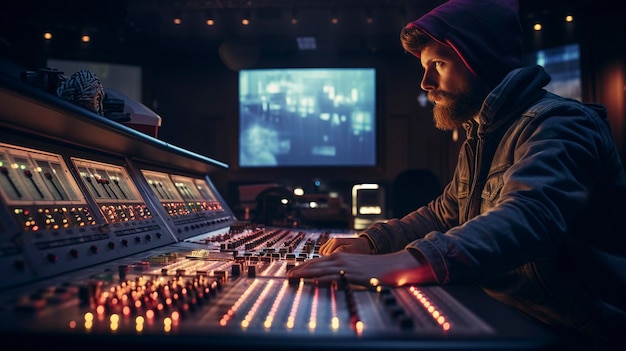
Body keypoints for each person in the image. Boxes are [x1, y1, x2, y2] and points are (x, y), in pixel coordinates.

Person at [286, 0, 626, 349]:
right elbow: (443, 213)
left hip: (576, 328)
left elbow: (531, 217)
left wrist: (405, 262)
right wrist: (374, 243)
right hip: (512, 310)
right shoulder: (481, 135)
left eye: (438, 64)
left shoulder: (562, 123)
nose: (425, 82)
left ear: (481, 59)